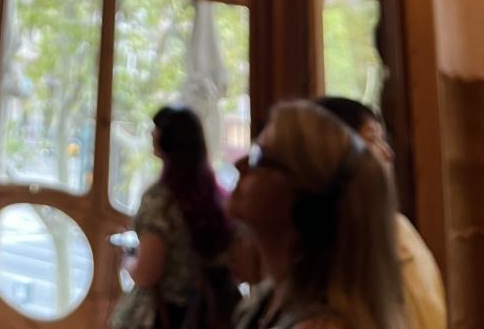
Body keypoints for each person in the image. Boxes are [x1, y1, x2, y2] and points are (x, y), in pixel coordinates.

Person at [230, 100, 404, 329]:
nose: (239, 164)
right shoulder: (270, 298)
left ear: (305, 203)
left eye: (258, 157)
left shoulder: (322, 325)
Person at [314, 96, 446, 329]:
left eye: (383, 140)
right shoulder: (330, 247)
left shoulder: (399, 228)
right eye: (372, 139)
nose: (388, 154)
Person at [111, 105, 239, 329]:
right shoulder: (215, 196)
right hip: (210, 315)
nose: (151, 133)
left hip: (168, 317)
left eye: (156, 128)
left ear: (167, 139)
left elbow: (147, 274)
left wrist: (127, 261)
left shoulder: (160, 201)